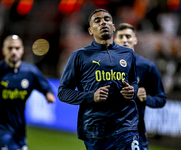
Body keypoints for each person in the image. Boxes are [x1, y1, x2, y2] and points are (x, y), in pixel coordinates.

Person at [58, 9, 140, 150]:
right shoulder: (79, 56)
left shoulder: (128, 54)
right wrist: (91, 96)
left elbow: (134, 82)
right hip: (95, 131)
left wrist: (132, 90)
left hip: (127, 127)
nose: (103, 22)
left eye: (107, 19)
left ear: (113, 27)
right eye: (97, 20)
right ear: (90, 30)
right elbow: (63, 92)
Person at [0, 34, 55, 150]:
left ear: (22, 50)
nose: (14, 52)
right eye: (10, 48)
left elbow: (45, 87)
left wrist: (48, 95)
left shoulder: (30, 72)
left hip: (18, 128)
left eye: (17, 48)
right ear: (4, 50)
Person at [115, 23, 166, 150]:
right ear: (115, 40)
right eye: (121, 36)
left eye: (128, 36)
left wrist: (145, 98)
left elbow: (161, 99)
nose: (125, 40)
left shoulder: (147, 67)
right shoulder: (104, 66)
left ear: (135, 40)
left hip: (135, 134)